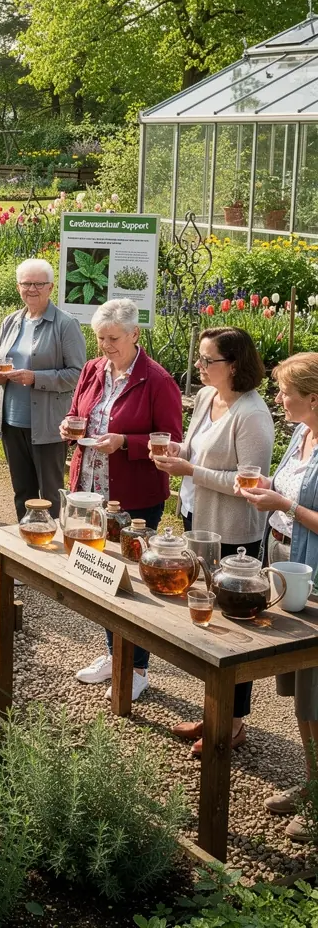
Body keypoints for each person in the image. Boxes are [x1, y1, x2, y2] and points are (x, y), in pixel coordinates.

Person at [152, 327, 273, 755]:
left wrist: (192, 472)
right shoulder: (206, 398)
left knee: (232, 628)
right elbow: (198, 450)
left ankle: (233, 722)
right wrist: (176, 454)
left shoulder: (252, 413)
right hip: (197, 518)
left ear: (235, 364)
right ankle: (213, 712)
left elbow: (250, 482)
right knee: (203, 616)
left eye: (208, 361)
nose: (199, 367)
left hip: (234, 534)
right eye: (200, 359)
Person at [65, 297, 183, 702]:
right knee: (101, 571)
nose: (105, 346)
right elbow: (78, 410)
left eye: (113, 338)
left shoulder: (157, 380)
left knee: (134, 580)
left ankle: (137, 668)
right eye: (100, 338)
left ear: (135, 334)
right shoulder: (93, 369)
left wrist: (125, 443)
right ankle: (113, 653)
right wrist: (70, 424)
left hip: (134, 495)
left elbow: (172, 442)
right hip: (93, 489)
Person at [240, 352, 318, 841]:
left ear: (314, 397)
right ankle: (312, 783)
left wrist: (284, 502)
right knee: (300, 689)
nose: (278, 398)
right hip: (286, 565)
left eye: (285, 391)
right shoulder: (301, 434)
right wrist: (268, 489)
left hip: (317, 575)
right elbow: (287, 488)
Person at [0, 257, 86, 519]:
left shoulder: (65, 324)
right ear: (18, 287)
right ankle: (26, 543)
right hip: (12, 421)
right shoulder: (11, 321)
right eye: (26, 283)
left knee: (51, 493)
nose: (31, 289)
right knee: (22, 492)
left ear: (50, 287)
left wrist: (36, 378)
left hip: (47, 424)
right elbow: (0, 360)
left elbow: (78, 375)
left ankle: (54, 548)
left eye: (38, 284)